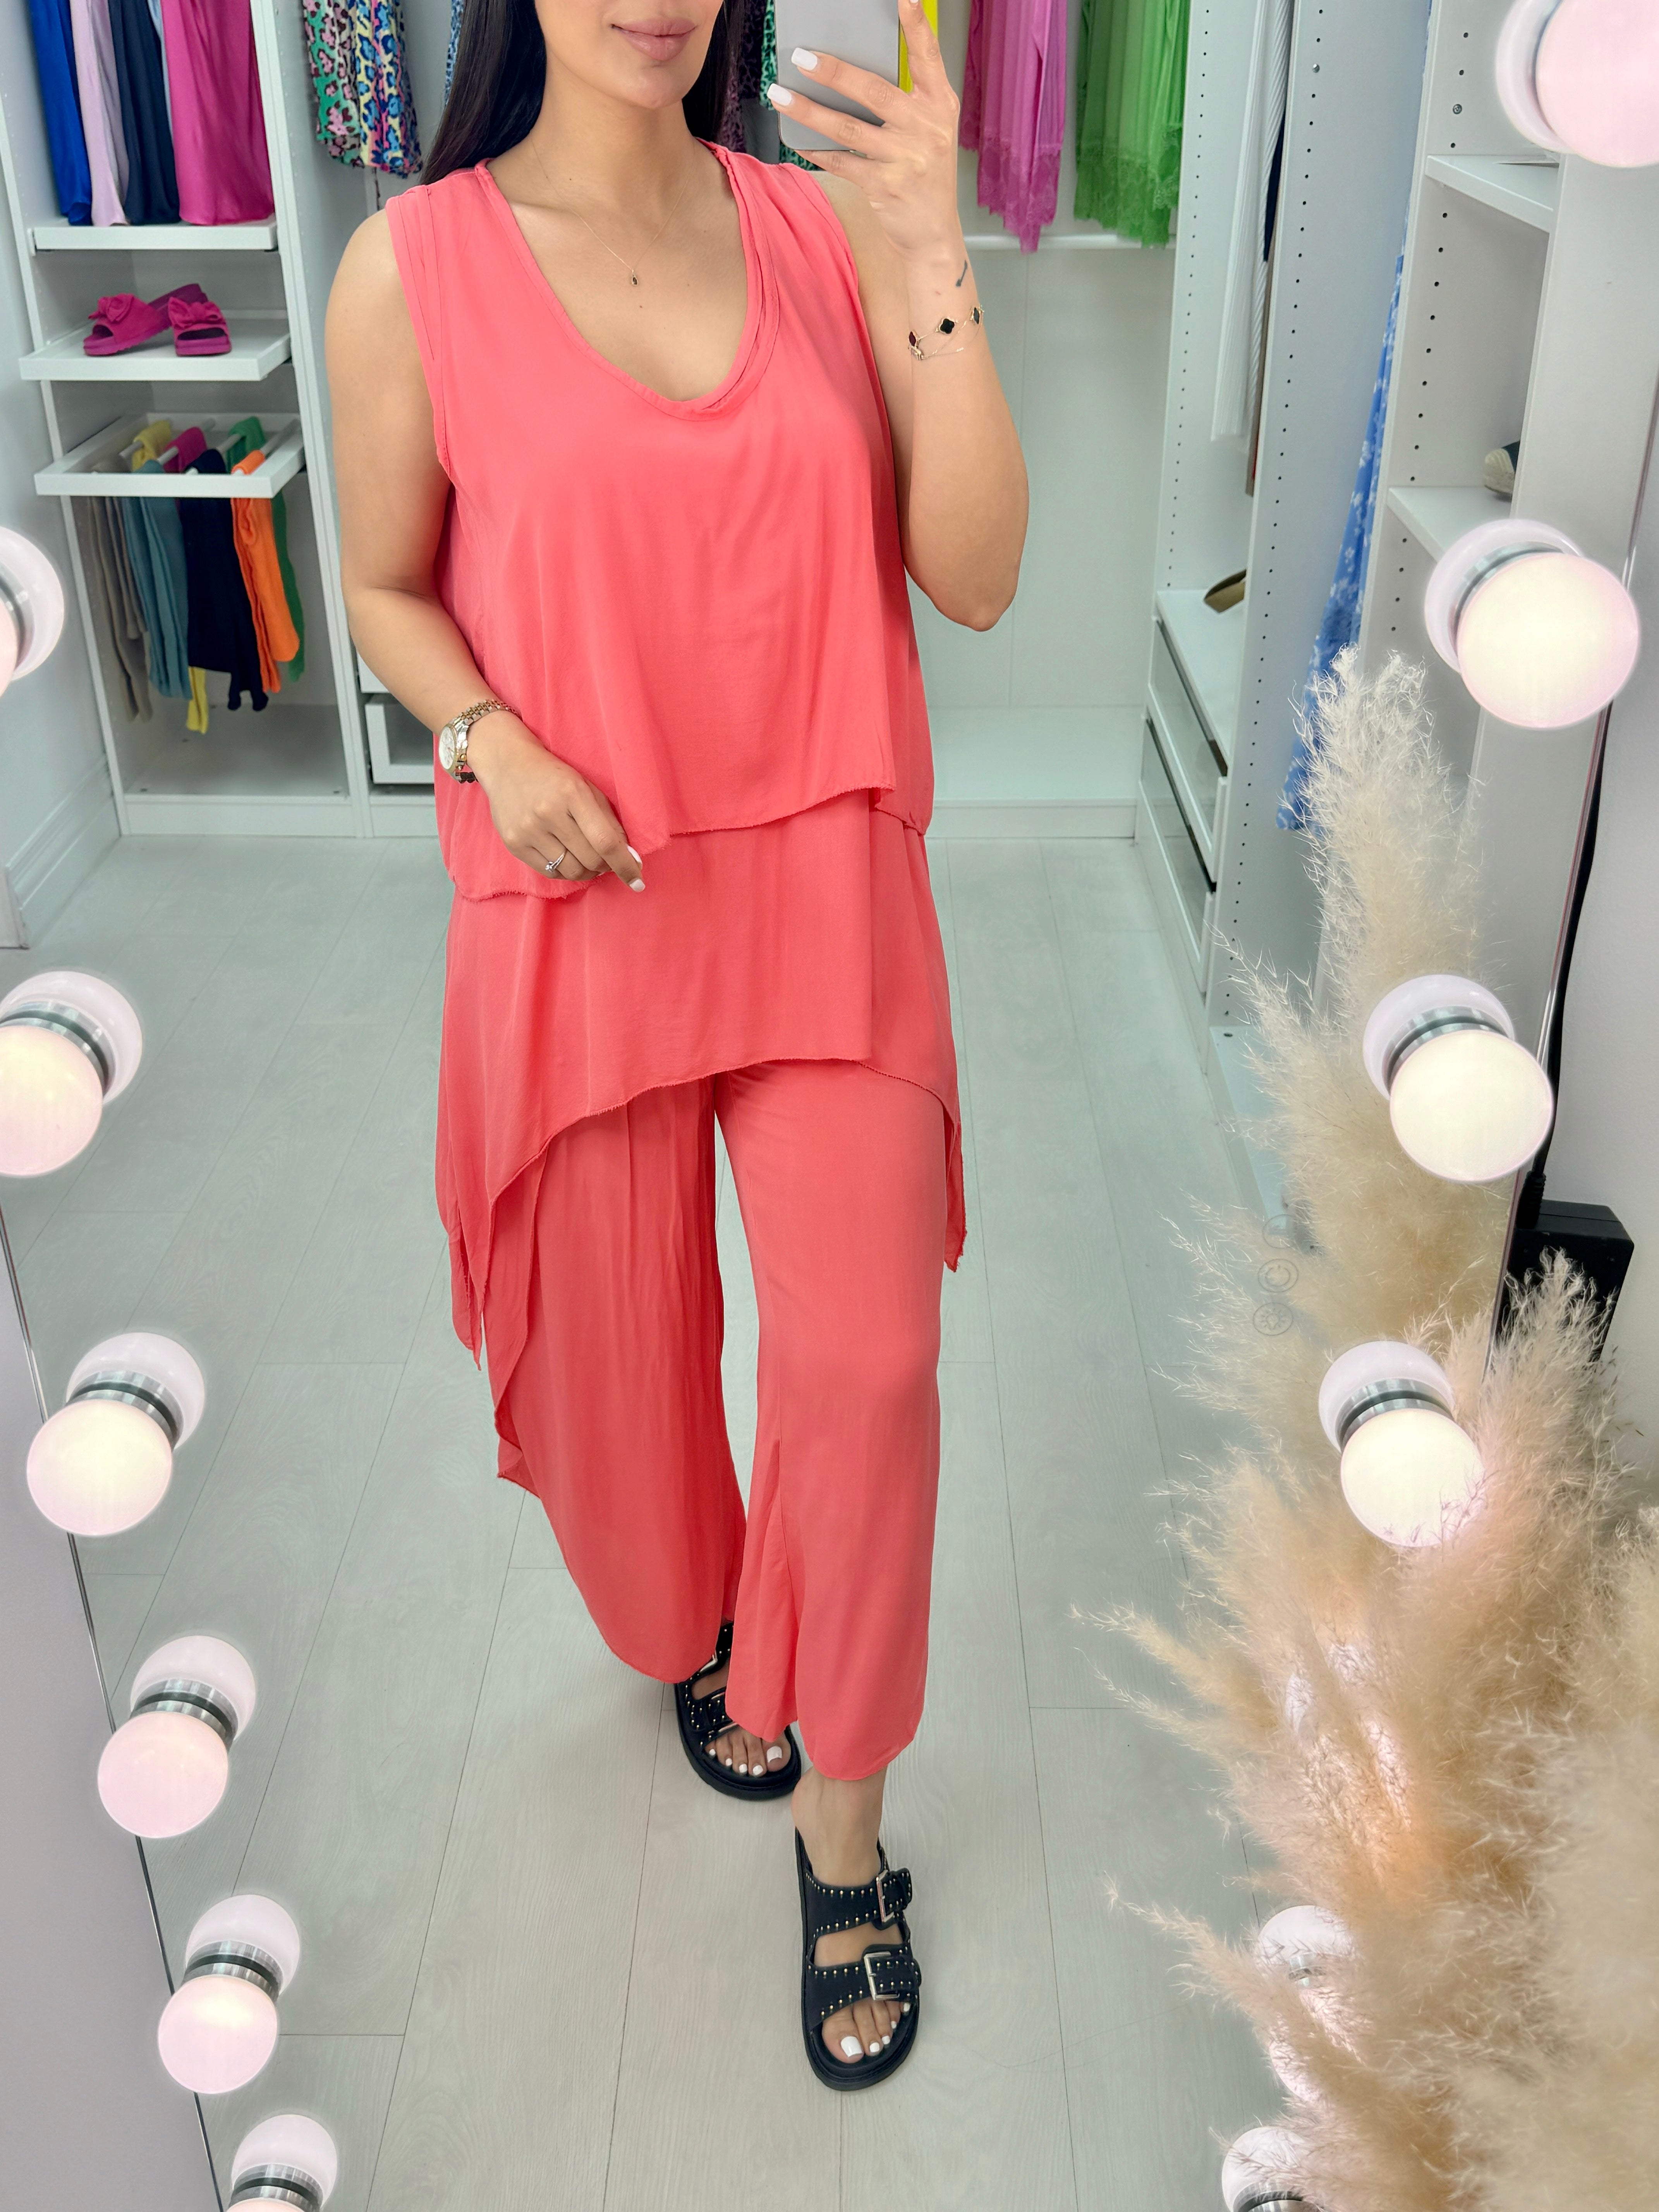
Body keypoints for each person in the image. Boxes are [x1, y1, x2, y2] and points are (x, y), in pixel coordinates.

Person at [326, 0, 1026, 2087]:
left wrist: (932, 256)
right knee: (619, 1406)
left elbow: (978, 577)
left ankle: (846, 1838)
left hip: (821, 883)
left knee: (869, 1373)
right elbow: (383, 587)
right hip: (584, 898)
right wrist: (491, 734)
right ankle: (709, 1628)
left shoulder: (821, 231)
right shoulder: (412, 269)